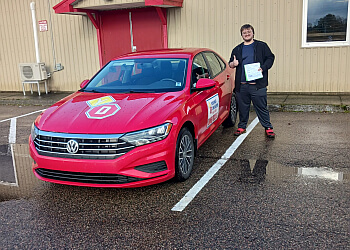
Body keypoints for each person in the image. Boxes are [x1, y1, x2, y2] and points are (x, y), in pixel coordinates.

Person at [229, 24, 276, 138]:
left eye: (249, 32)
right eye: (244, 33)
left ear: (253, 33)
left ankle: (268, 127)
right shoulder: (237, 49)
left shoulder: (261, 46)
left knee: (261, 107)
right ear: (242, 35)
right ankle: (242, 126)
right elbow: (230, 64)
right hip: (242, 85)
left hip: (257, 85)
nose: (247, 34)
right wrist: (233, 64)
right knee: (243, 108)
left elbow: (271, 57)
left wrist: (263, 67)